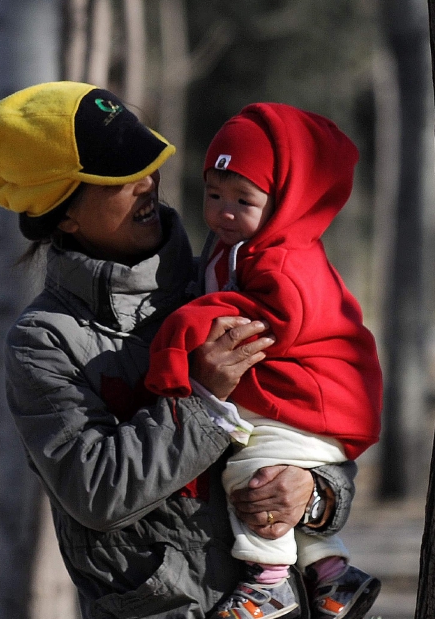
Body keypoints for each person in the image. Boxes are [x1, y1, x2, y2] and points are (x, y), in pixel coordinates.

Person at [0, 80, 359, 619]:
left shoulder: (234, 272)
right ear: (62, 213)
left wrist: (315, 492)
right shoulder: (45, 340)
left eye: (144, 162)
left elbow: (319, 407)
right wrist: (202, 400)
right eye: (119, 176)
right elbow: (95, 493)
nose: (147, 182)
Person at [143, 103, 383, 619]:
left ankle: (270, 583)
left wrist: (193, 320)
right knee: (272, 476)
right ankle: (332, 575)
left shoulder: (283, 257)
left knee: (254, 478)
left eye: (243, 200)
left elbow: (275, 319)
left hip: (305, 398)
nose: (223, 212)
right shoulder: (237, 247)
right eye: (213, 195)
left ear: (284, 202)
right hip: (290, 400)